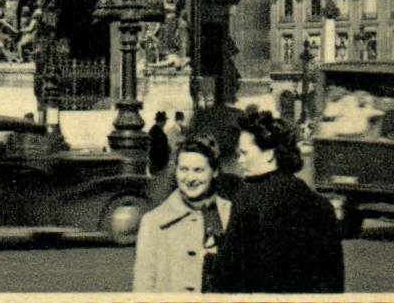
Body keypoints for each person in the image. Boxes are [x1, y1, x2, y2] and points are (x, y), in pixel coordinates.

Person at [215, 110, 345, 293]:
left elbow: (229, 272)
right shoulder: (319, 203)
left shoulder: (248, 198)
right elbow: (333, 279)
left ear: (269, 154)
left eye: (244, 153)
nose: (240, 161)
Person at [133, 136, 232, 293]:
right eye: (184, 169)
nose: (190, 179)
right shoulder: (153, 222)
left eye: (198, 170)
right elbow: (143, 287)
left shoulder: (231, 215)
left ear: (214, 172)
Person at [148, 111, 172, 176]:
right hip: (157, 163)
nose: (165, 123)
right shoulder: (155, 132)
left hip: (160, 163)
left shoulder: (158, 131)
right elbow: (155, 148)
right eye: (164, 121)